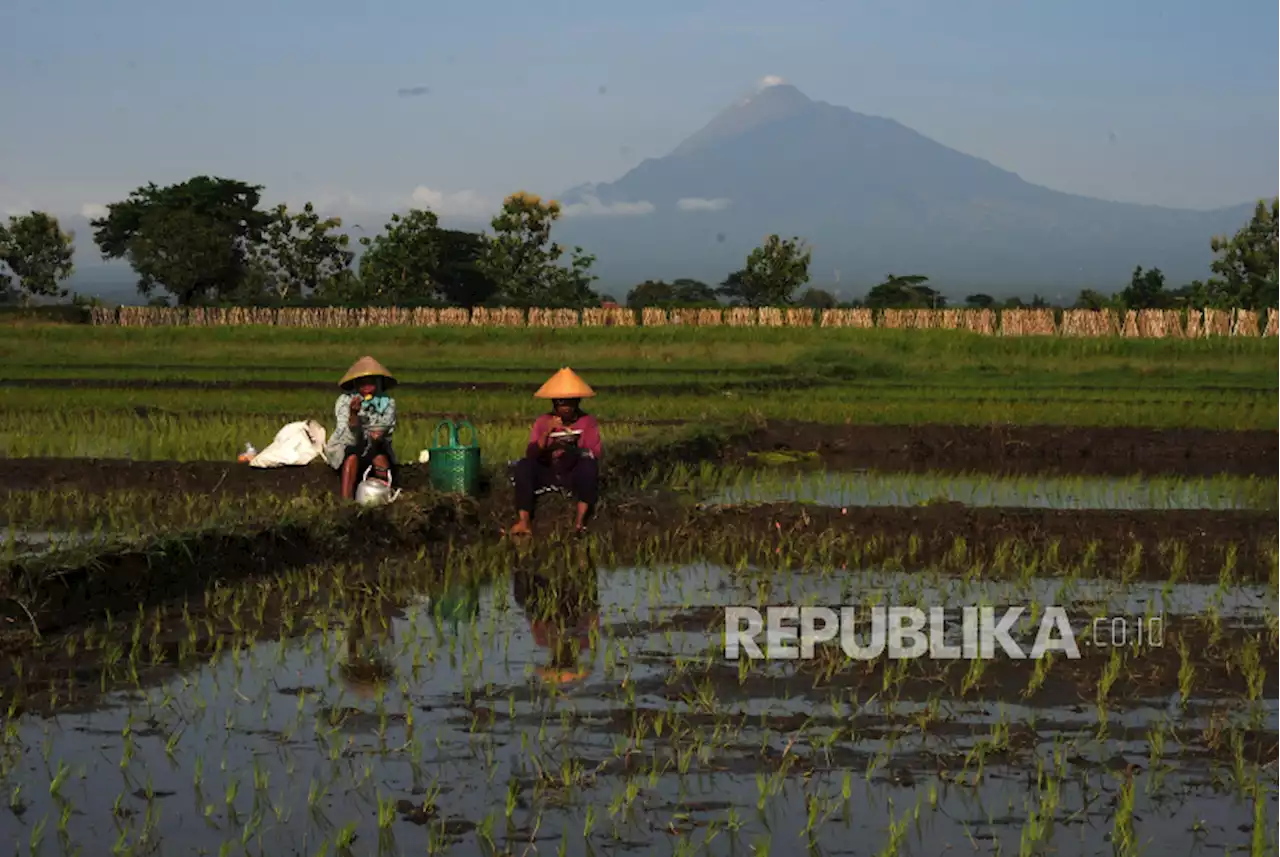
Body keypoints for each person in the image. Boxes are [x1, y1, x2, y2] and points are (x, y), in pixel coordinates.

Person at [508, 367, 602, 537]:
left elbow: (594, 452)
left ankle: (580, 523)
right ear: (554, 403)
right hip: (548, 469)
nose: (565, 407)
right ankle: (524, 521)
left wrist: (574, 448)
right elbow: (532, 452)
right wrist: (547, 433)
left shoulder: (587, 422)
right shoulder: (544, 421)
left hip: (573, 470)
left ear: (577, 402)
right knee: (524, 466)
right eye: (561, 402)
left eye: (570, 402)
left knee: (589, 466)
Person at [512, 553, 599, 686]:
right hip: (568, 601)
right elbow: (593, 609)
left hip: (552, 601)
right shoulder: (586, 640)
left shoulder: (542, 637)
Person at [323, 356, 398, 500]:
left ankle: (380, 499)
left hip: (374, 445)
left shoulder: (388, 403)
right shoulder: (345, 402)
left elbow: (385, 427)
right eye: (362, 383)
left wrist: (378, 434)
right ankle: (346, 502)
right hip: (348, 445)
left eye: (371, 383)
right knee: (351, 458)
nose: (367, 388)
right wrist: (354, 415)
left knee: (381, 463)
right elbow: (348, 437)